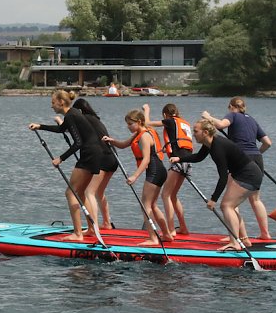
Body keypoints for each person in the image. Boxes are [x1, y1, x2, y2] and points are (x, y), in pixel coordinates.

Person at [170, 119, 264, 251]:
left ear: (206, 132)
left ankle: (235, 243)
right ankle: (244, 240)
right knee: (231, 206)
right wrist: (180, 158)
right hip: (246, 173)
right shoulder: (210, 143)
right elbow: (199, 157)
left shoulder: (217, 147)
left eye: (195, 131)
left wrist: (213, 199)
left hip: (248, 175)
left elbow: (223, 177)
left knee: (226, 206)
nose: (193, 134)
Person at [29, 90, 103, 241]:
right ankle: (91, 228)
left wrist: (60, 158)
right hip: (95, 152)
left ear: (61, 102)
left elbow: (78, 142)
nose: (51, 106)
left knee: (71, 193)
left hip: (89, 154)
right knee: (80, 193)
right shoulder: (73, 113)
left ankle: (77, 234)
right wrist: (40, 126)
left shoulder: (71, 115)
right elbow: (62, 129)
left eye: (53, 102)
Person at [202, 97, 273, 240]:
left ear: (231, 106)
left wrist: (208, 117)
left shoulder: (233, 115)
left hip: (241, 161)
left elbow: (221, 125)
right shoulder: (252, 120)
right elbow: (267, 143)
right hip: (257, 158)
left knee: (231, 200)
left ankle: (235, 235)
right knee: (256, 200)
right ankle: (265, 233)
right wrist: (257, 153)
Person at [103, 105, 172, 245]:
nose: (128, 126)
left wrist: (134, 176)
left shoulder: (145, 136)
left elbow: (146, 159)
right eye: (127, 124)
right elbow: (123, 144)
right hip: (159, 171)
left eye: (130, 124)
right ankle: (166, 234)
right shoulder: (140, 133)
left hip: (154, 171)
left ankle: (153, 238)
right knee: (152, 205)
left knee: (145, 205)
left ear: (139, 122)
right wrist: (111, 140)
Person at [60, 98, 118, 229]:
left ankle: (94, 227)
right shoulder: (95, 118)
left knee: (88, 192)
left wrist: (61, 124)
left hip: (102, 158)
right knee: (99, 193)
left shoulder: (85, 118)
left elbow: (77, 131)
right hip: (112, 158)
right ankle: (107, 223)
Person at [147, 103, 194, 236]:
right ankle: (183, 228)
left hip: (178, 161)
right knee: (172, 195)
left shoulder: (169, 121)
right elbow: (176, 141)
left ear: (164, 114)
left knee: (165, 195)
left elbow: (147, 123)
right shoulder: (183, 122)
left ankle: (171, 229)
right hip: (187, 161)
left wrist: (147, 110)